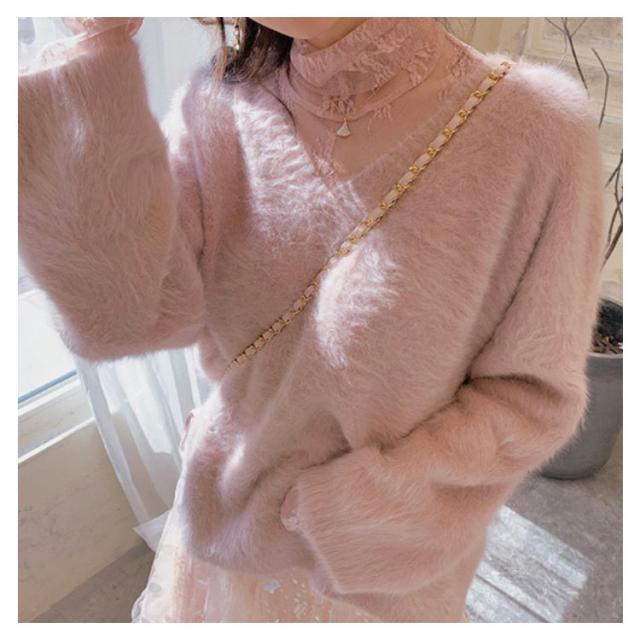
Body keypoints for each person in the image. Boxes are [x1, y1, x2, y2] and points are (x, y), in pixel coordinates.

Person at [18, 16, 606, 623]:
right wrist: (95, 56)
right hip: (224, 540)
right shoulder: (217, 107)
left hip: (376, 581)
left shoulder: (535, 128)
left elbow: (532, 395)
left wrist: (368, 508)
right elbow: (124, 316)